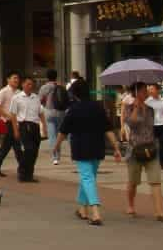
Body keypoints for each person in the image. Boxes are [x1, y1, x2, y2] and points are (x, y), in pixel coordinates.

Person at [56, 78, 122, 225]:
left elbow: (63, 131)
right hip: (97, 147)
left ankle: (95, 212)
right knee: (88, 177)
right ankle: (82, 209)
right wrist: (116, 147)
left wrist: (56, 146)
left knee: (87, 178)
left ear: (75, 94)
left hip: (81, 148)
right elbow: (107, 128)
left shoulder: (73, 109)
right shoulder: (98, 107)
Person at [123, 81, 163, 220]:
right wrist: (136, 109)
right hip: (135, 149)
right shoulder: (128, 107)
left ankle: (160, 211)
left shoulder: (150, 108)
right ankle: (130, 205)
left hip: (151, 147)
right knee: (133, 181)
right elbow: (131, 124)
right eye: (143, 90)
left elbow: (151, 126)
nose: (146, 92)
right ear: (135, 92)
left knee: (155, 181)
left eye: (146, 90)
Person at [10, 76, 46, 183]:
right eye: (28, 84)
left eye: (31, 84)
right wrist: (16, 130)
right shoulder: (17, 98)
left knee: (35, 152)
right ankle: (22, 171)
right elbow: (13, 115)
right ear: (23, 84)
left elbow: (41, 113)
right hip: (24, 126)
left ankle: (29, 174)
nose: (30, 86)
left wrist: (44, 127)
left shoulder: (36, 98)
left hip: (35, 126)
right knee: (29, 150)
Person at [0, 72, 23, 177]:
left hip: (17, 121)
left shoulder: (19, 92)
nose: (16, 80)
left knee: (7, 146)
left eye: (17, 78)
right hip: (8, 122)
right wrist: (6, 115)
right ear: (8, 80)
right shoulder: (4, 91)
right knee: (16, 146)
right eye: (14, 78)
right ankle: (23, 168)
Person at [39, 69, 68, 165]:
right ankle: (58, 154)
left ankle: (55, 157)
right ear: (56, 76)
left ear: (47, 77)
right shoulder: (61, 86)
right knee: (60, 134)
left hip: (49, 112)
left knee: (52, 136)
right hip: (61, 112)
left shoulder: (44, 87)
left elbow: (40, 100)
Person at [146, 83, 163, 169]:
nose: (150, 91)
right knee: (151, 145)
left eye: (152, 89)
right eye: (149, 89)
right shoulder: (147, 101)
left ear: (158, 90)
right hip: (152, 125)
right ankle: (151, 161)